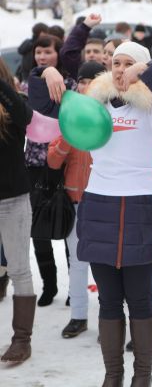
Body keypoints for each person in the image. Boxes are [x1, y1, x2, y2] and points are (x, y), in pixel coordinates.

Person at [76, 42, 152, 385]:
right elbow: (47, 106)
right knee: (109, 300)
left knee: (139, 298)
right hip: (99, 205)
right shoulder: (96, 104)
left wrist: (150, 71)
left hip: (140, 205)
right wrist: (45, 73)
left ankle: (143, 375)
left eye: (129, 63)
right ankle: (113, 375)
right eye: (116, 62)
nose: (121, 68)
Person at [46, 61, 105, 339]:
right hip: (75, 199)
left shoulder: (111, 111)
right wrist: (67, 140)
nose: (84, 86)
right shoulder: (68, 113)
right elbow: (52, 159)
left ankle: (111, 317)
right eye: (81, 81)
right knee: (78, 261)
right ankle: (78, 316)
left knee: (107, 264)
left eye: (91, 80)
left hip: (106, 199)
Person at [27, 34, 76, 307]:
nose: (42, 57)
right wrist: (44, 72)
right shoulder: (31, 81)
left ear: (59, 54)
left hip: (63, 162)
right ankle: (49, 284)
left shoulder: (69, 85)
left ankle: (74, 286)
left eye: (47, 52)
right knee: (38, 228)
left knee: (67, 224)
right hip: (34, 163)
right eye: (38, 53)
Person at [0, 59, 37, 363]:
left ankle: (21, 340)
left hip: (12, 200)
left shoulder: (14, 103)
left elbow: (25, 118)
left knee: (19, 268)